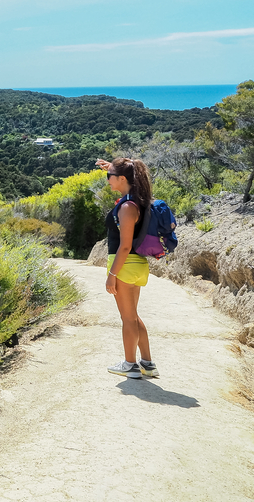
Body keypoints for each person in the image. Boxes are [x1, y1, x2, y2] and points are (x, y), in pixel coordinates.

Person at [94, 157, 159, 379]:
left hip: (125, 265)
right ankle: (148, 364)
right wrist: (109, 167)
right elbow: (127, 168)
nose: (107, 181)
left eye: (109, 177)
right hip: (136, 265)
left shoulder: (127, 207)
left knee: (128, 319)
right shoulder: (135, 200)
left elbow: (125, 246)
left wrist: (112, 275)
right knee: (133, 316)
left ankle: (130, 365)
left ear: (122, 179)